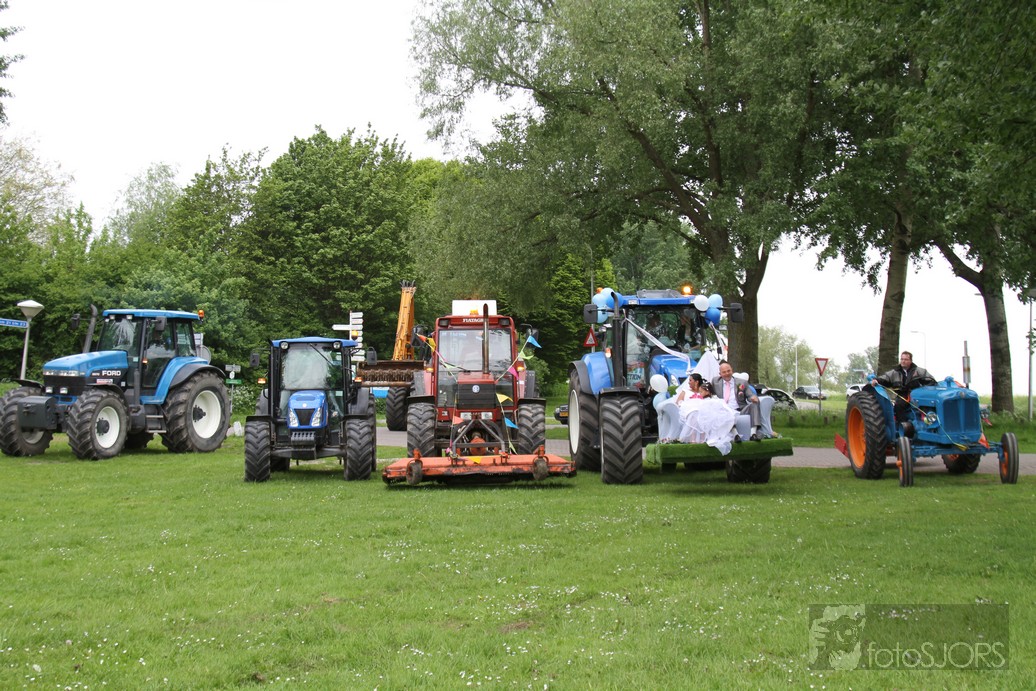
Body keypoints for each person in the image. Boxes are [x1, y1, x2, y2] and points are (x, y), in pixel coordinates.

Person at [873, 351, 936, 421]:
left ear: (910, 361)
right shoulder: (894, 372)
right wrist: (876, 380)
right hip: (903, 396)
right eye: (902, 359)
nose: (903, 361)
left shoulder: (919, 371)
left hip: (918, 395)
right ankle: (903, 424)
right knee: (898, 405)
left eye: (906, 359)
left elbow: (931, 381)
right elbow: (884, 378)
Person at [712, 360, 764, 441]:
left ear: (732, 370)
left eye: (728, 371)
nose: (727, 373)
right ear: (720, 374)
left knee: (754, 404)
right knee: (723, 409)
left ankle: (753, 433)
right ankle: (735, 435)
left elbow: (750, 395)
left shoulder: (742, 382)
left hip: (741, 409)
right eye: (724, 372)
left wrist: (753, 398)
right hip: (725, 410)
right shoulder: (715, 382)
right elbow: (708, 391)